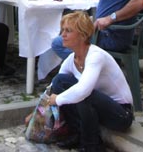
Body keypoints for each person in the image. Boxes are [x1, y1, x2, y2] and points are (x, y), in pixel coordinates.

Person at [48, 11, 133, 152]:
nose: (62, 35)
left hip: (120, 114)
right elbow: (52, 86)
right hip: (97, 107)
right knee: (59, 81)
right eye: (62, 30)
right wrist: (36, 113)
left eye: (68, 31)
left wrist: (58, 99)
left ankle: (92, 146)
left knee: (84, 95)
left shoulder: (95, 56)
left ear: (83, 35)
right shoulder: (71, 59)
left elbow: (83, 90)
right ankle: (77, 133)